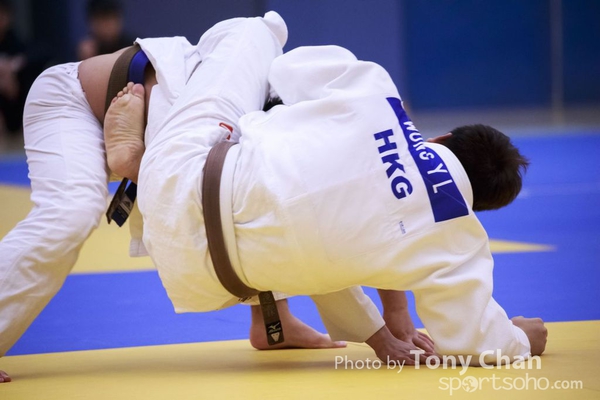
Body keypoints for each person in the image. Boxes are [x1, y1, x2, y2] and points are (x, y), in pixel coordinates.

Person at [0, 12, 432, 383]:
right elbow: (317, 243)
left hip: (166, 138)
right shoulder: (256, 107)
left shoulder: (309, 124)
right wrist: (380, 334)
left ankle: (273, 321)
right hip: (74, 104)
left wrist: (397, 314)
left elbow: (365, 210)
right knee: (74, 213)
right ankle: (135, 163)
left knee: (247, 215)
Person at [104, 12, 546, 371]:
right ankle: (146, 166)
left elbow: (287, 69)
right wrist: (521, 338)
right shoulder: (457, 239)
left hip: (185, 175)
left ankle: (141, 161)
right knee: (317, 232)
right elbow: (476, 341)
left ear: (442, 137)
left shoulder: (378, 95)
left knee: (258, 32)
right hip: (205, 278)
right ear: (477, 205)